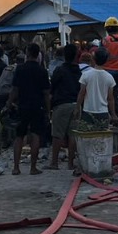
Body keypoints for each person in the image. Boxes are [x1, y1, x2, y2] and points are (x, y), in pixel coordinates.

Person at [6, 42, 51, 175]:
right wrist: (48, 111)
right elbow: (46, 93)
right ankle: (33, 167)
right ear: (38, 55)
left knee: (19, 136)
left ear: (27, 53)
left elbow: (15, 89)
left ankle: (16, 167)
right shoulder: (42, 71)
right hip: (37, 106)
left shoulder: (20, 69)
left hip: (22, 106)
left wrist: (9, 102)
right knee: (36, 135)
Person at [48, 42, 82, 170]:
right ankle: (70, 163)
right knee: (73, 134)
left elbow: (52, 87)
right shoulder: (79, 71)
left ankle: (54, 162)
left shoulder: (60, 70)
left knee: (57, 134)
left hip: (61, 104)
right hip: (76, 104)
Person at [77, 45, 118, 132]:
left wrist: (77, 108)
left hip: (88, 110)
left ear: (93, 59)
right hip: (103, 112)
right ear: (106, 60)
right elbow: (110, 99)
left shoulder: (86, 75)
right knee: (102, 139)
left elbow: (81, 93)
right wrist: (113, 114)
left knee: (86, 138)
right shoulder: (109, 77)